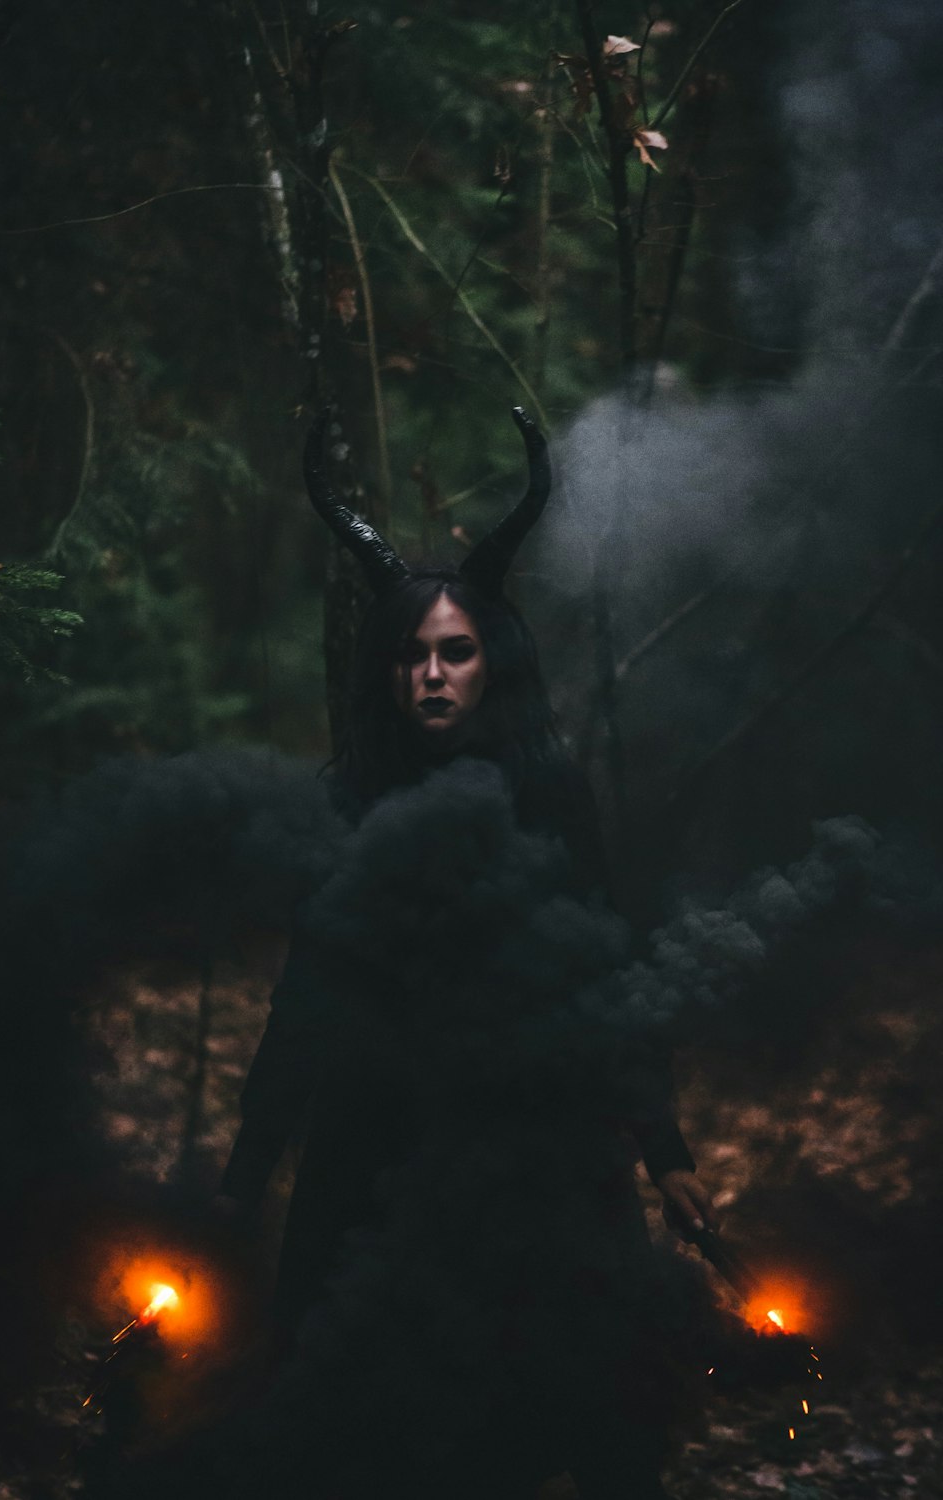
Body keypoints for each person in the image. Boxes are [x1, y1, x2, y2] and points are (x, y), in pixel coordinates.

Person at [217, 408, 716, 1498]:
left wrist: (663, 1150)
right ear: (385, 673)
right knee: (364, 1416)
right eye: (411, 657)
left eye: (455, 652)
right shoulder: (351, 800)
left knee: (547, 1408)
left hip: (528, 1137)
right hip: (374, 1140)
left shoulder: (547, 797)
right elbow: (306, 993)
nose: (432, 675)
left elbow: (605, 970)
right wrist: (244, 1178)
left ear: (492, 663)